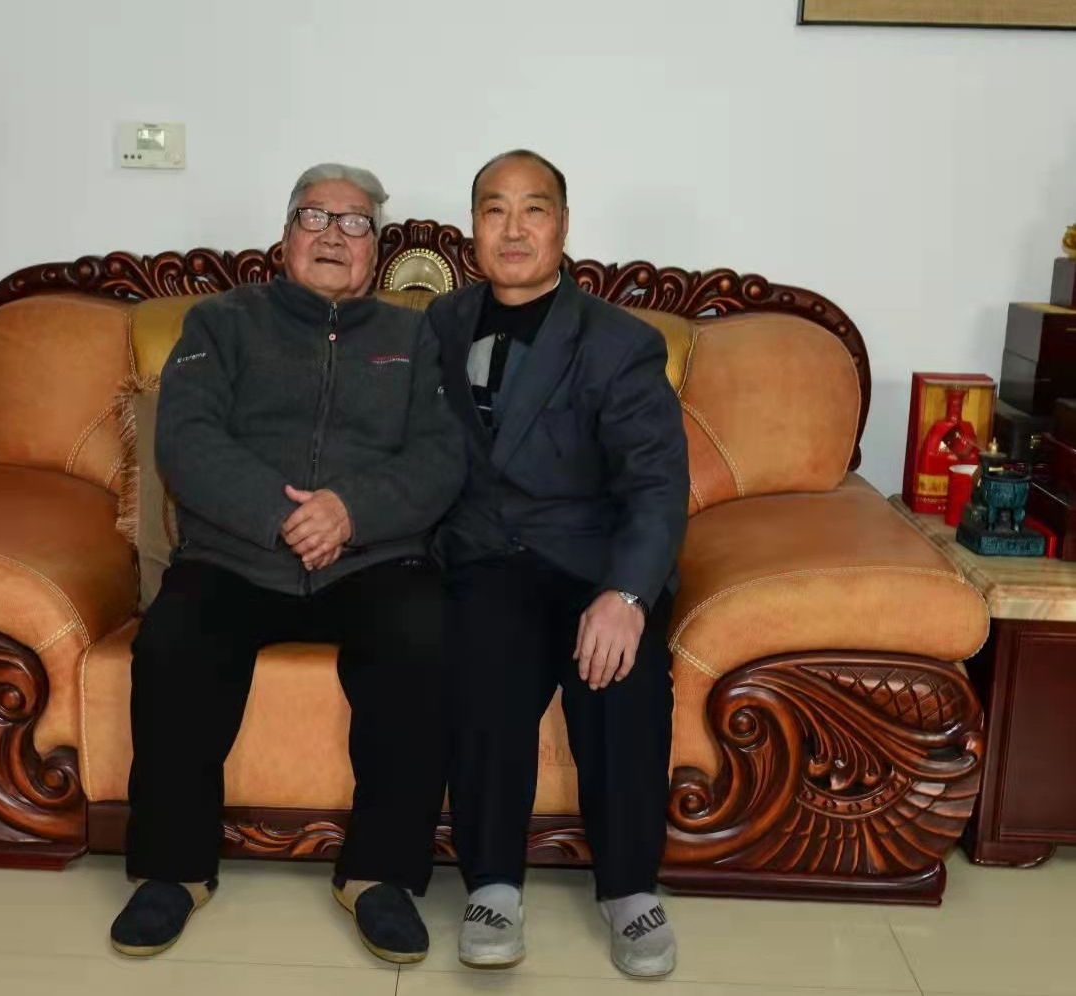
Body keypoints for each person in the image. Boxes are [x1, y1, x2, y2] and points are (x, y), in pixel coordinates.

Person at [110, 163, 464, 964]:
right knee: (172, 644)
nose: (333, 235)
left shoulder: (416, 339)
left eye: (354, 221)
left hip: (372, 557)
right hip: (236, 554)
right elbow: (187, 441)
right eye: (315, 216)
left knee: (424, 641)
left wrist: (351, 511)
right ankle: (174, 870)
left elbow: (441, 457)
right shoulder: (221, 322)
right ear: (284, 236)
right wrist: (281, 517)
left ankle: (378, 875)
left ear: (376, 249)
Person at [426, 150, 689, 977]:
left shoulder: (619, 343)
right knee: (485, 666)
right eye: (493, 210)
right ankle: (492, 885)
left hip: (589, 561)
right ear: (472, 228)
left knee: (620, 677)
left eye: (532, 209)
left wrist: (626, 594)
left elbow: (656, 485)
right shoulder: (436, 325)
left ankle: (629, 890)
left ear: (563, 225)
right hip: (482, 558)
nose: (513, 229)